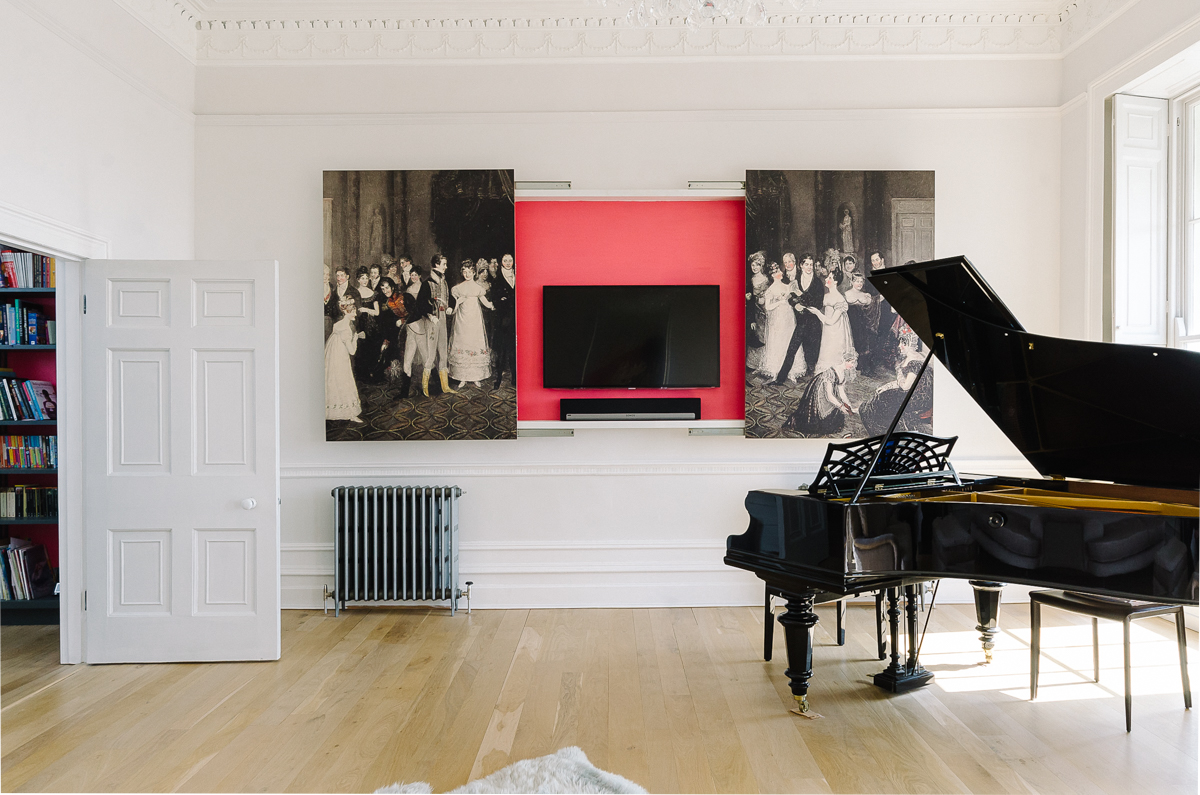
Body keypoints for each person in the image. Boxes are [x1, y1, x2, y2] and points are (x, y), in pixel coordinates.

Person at [858, 333, 931, 435]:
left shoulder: (914, 362)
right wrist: (887, 386)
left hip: (915, 398)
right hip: (913, 393)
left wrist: (899, 371)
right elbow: (907, 382)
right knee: (881, 393)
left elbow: (905, 386)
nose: (899, 346)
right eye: (900, 342)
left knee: (879, 402)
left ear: (911, 345)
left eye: (903, 343)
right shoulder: (911, 357)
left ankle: (883, 434)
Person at [773, 253, 823, 383]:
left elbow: (818, 303)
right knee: (791, 350)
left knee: (812, 350)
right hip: (801, 321)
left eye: (811, 265)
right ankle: (780, 379)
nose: (809, 267)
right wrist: (795, 305)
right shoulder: (796, 279)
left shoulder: (817, 282)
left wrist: (802, 296)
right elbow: (790, 297)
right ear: (801, 265)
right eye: (806, 264)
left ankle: (811, 376)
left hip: (813, 321)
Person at [448, 260, 495, 388]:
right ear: (462, 273)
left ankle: (475, 376)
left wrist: (492, 305)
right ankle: (462, 376)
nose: (467, 274)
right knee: (463, 342)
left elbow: (484, 301)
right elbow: (455, 305)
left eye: (470, 272)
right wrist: (457, 304)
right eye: (465, 272)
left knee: (474, 342)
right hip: (462, 321)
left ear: (474, 272)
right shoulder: (458, 288)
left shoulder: (478, 288)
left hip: (475, 320)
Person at [784, 355, 857, 436]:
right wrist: (841, 406)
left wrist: (849, 405)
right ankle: (794, 421)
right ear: (845, 361)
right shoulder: (830, 373)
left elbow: (841, 391)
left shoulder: (842, 373)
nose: (853, 365)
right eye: (852, 362)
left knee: (836, 423)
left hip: (831, 393)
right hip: (820, 393)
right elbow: (829, 396)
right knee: (818, 424)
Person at [807, 271, 857, 379]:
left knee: (833, 354)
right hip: (827, 331)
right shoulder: (826, 296)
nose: (826, 279)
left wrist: (817, 312)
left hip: (836, 332)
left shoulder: (839, 299)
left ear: (835, 282)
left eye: (829, 278)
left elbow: (831, 321)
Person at [325, 294, 366, 423]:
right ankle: (349, 412)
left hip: (332, 356)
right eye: (352, 311)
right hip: (340, 358)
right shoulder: (347, 329)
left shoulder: (337, 324)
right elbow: (352, 351)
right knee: (344, 380)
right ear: (345, 311)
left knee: (334, 381)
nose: (355, 313)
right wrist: (357, 337)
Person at [757, 262, 795, 380]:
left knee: (789, 339)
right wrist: (780, 302)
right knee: (779, 341)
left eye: (780, 270)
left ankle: (791, 370)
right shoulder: (771, 290)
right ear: (773, 275)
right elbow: (768, 307)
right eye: (778, 271)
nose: (780, 273)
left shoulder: (786, 286)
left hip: (789, 316)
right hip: (778, 319)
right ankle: (777, 369)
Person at [425, 254, 456, 395]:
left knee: (443, 351)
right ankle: (425, 388)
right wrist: (431, 315)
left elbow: (446, 299)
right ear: (436, 264)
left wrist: (448, 306)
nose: (446, 267)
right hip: (432, 320)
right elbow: (422, 305)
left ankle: (445, 387)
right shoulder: (428, 282)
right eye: (444, 264)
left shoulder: (444, 280)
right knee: (431, 354)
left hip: (442, 318)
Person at [402, 266, 434, 397]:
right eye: (411, 275)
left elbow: (425, 307)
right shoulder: (409, 290)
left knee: (426, 354)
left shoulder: (424, 288)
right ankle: (404, 390)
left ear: (420, 275)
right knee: (408, 356)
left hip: (421, 325)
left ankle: (432, 384)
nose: (413, 277)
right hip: (411, 326)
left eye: (415, 275)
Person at [491, 253, 517, 389]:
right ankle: (498, 380)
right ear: (501, 262)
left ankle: (514, 379)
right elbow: (495, 300)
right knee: (501, 352)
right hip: (503, 321)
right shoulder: (497, 280)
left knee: (513, 350)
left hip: (515, 319)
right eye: (505, 260)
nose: (508, 263)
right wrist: (504, 302)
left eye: (510, 260)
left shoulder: (517, 276)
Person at [374, 277, 407, 384]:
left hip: (405, 329)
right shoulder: (386, 301)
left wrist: (402, 320)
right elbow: (386, 321)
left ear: (392, 287)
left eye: (387, 288)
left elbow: (411, 313)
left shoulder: (402, 297)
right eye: (383, 289)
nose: (385, 291)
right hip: (391, 331)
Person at [353, 266, 382, 382]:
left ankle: (372, 373)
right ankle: (362, 375)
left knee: (372, 349)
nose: (364, 280)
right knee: (361, 350)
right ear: (358, 280)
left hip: (372, 326)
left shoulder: (374, 293)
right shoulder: (355, 293)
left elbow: (377, 312)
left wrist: (366, 310)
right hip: (359, 325)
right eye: (362, 278)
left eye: (366, 278)